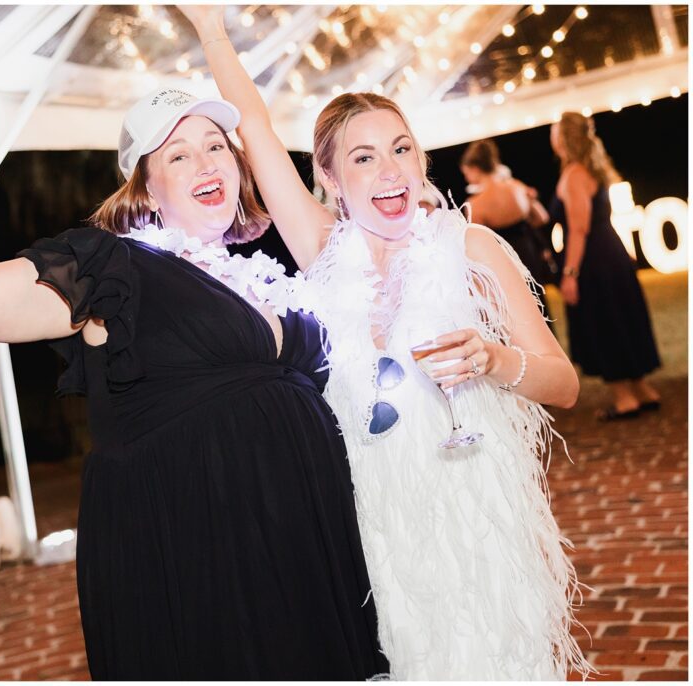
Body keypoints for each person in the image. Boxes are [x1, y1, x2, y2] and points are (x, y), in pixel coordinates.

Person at [0, 88, 389, 679]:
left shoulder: (273, 281)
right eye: (177, 155)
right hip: (202, 553)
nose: (205, 163)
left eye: (216, 146)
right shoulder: (116, 269)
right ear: (145, 188)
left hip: (306, 543)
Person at [182, 6, 592, 680]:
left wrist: (495, 361)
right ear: (330, 180)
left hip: (473, 518)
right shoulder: (322, 251)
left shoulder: (470, 247)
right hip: (369, 528)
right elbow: (253, 127)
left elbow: (565, 383)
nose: (391, 170)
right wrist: (211, 28)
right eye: (364, 158)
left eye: (401, 149)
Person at [550, 112, 662, 420]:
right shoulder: (593, 168)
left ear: (563, 138)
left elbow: (579, 228)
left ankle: (625, 399)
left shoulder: (574, 174)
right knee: (623, 317)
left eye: (554, 132)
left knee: (605, 322)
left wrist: (570, 273)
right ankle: (643, 390)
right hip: (611, 253)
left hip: (593, 261)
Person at [460, 139, 558, 319]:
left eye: (466, 173)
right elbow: (541, 218)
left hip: (505, 261)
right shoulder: (517, 187)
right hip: (529, 254)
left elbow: (477, 249)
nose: (466, 178)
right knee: (539, 306)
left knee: (518, 313)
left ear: (475, 169)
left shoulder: (476, 204)